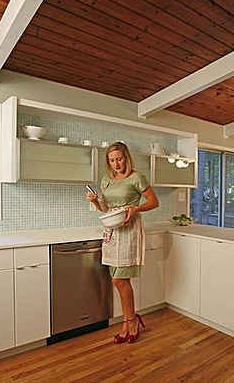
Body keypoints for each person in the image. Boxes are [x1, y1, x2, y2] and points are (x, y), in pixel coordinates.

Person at [86, 142, 159, 343]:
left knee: (120, 280)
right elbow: (105, 207)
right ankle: (129, 321)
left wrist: (136, 209)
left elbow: (154, 202)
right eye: (112, 160)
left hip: (129, 231)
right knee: (116, 279)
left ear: (126, 158)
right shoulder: (106, 180)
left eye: (119, 158)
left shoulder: (136, 177)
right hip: (111, 231)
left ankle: (131, 321)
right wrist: (94, 201)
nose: (116, 163)